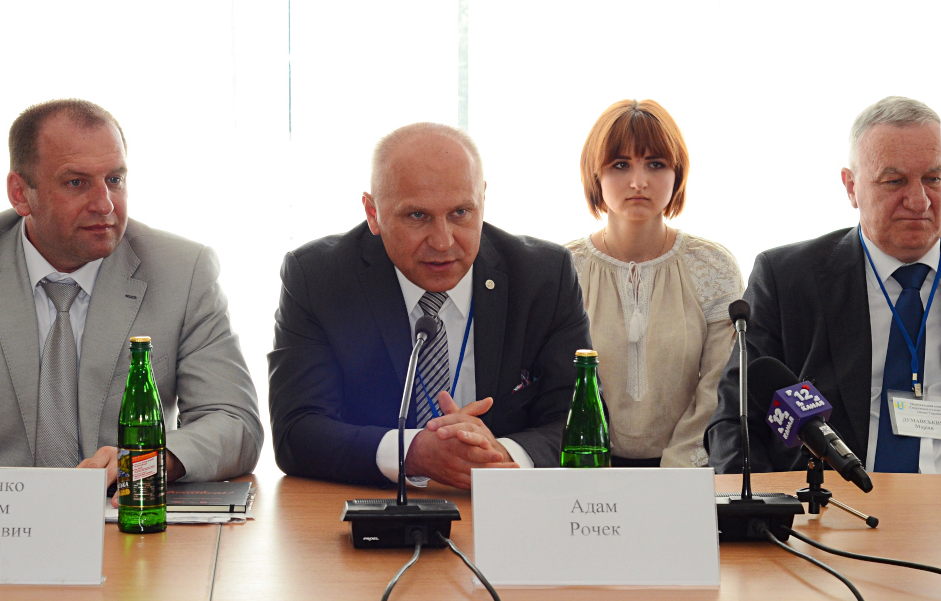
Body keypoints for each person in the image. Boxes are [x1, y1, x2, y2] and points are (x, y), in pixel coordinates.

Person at [0, 99, 263, 488]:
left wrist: (148, 461)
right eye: (77, 183)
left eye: (115, 179)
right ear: (20, 193)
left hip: (123, 509)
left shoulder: (182, 270)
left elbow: (235, 423)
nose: (105, 204)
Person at [269, 122, 593, 489]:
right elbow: (297, 430)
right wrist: (412, 452)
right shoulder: (319, 278)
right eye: (417, 216)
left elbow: (578, 421)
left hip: (509, 503)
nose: (443, 242)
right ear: (373, 213)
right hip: (373, 504)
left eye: (461, 212)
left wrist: (499, 455)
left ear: (482, 200)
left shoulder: (543, 277)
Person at [706, 95, 941, 474]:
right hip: (830, 502)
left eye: (934, 179)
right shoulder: (787, 279)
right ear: (851, 187)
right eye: (894, 181)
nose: (919, 201)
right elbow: (736, 421)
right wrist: (761, 506)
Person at [565, 99, 744, 468]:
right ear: (595, 175)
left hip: (688, 472)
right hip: (584, 472)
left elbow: (719, 386)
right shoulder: (564, 268)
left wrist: (675, 472)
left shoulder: (713, 265)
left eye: (655, 164)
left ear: (678, 173)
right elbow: (554, 391)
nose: (638, 182)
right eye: (620, 165)